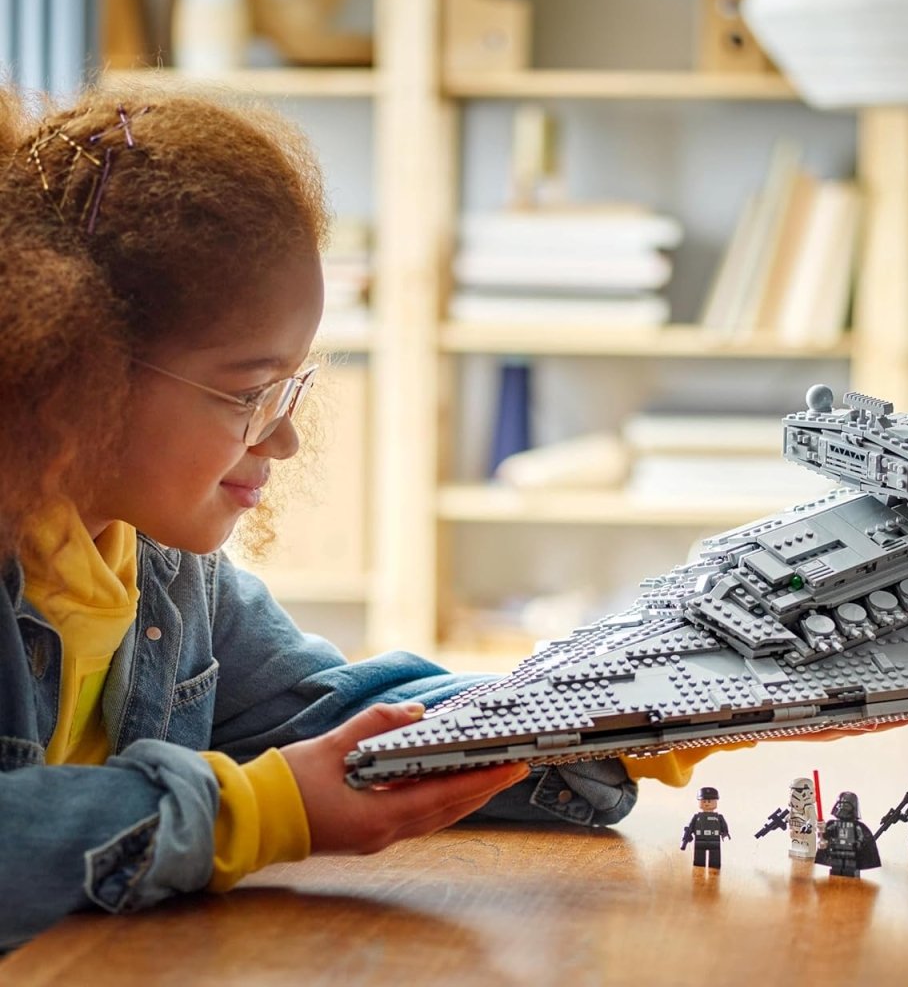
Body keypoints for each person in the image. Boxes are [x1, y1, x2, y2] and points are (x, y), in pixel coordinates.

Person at [0, 87, 653, 950]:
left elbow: (332, 715)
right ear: (72, 373)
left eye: (291, 386)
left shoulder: (158, 568)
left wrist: (633, 711)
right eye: (247, 392)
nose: (286, 437)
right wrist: (261, 813)